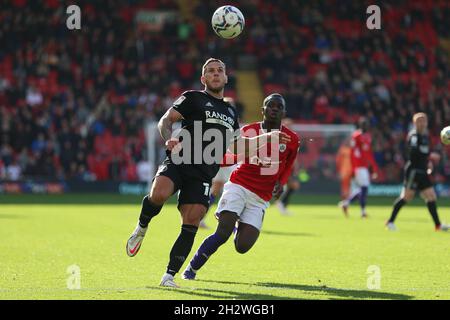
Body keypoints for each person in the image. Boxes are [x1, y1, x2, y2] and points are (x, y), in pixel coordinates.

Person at [125, 59, 291, 288]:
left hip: (203, 173)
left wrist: (267, 137)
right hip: (180, 160)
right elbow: (166, 120)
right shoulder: (192, 97)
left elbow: (238, 148)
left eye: (220, 71)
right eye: (210, 71)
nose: (215, 74)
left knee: (191, 221)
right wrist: (169, 138)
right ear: (203, 79)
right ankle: (141, 227)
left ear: (225, 78)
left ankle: (169, 276)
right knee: (159, 194)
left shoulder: (231, 113)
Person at [182, 93, 300, 280]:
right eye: (271, 105)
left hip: (261, 197)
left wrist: (281, 183)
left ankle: (236, 222)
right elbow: (235, 155)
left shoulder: (292, 139)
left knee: (242, 247)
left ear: (283, 112)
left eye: (279, 106)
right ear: (263, 110)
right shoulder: (250, 130)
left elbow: (288, 165)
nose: (275, 109)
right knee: (222, 234)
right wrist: (211, 161)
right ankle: (191, 269)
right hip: (239, 185)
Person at [386, 113, 449, 231]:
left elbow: (422, 155)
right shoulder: (413, 136)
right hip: (413, 171)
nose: (422, 123)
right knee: (406, 197)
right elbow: (413, 153)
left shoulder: (424, 137)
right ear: (415, 123)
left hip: (422, 171)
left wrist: (428, 162)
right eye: (419, 121)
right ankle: (390, 222)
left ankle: (438, 225)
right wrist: (430, 155)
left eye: (424, 121)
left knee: (431, 196)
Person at [199, 97, 239, 229]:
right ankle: (231, 222)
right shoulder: (222, 120)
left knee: (216, 190)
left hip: (222, 159)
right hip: (223, 159)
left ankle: (202, 217)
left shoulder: (220, 119)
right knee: (234, 188)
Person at [338, 117, 379, 218]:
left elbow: (369, 153)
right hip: (359, 166)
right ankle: (362, 211)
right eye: (363, 124)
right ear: (360, 125)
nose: (365, 126)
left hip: (364, 166)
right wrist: (353, 167)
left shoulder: (368, 136)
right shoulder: (356, 135)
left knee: (363, 188)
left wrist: (373, 168)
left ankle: (346, 203)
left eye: (367, 124)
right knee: (364, 187)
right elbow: (353, 152)